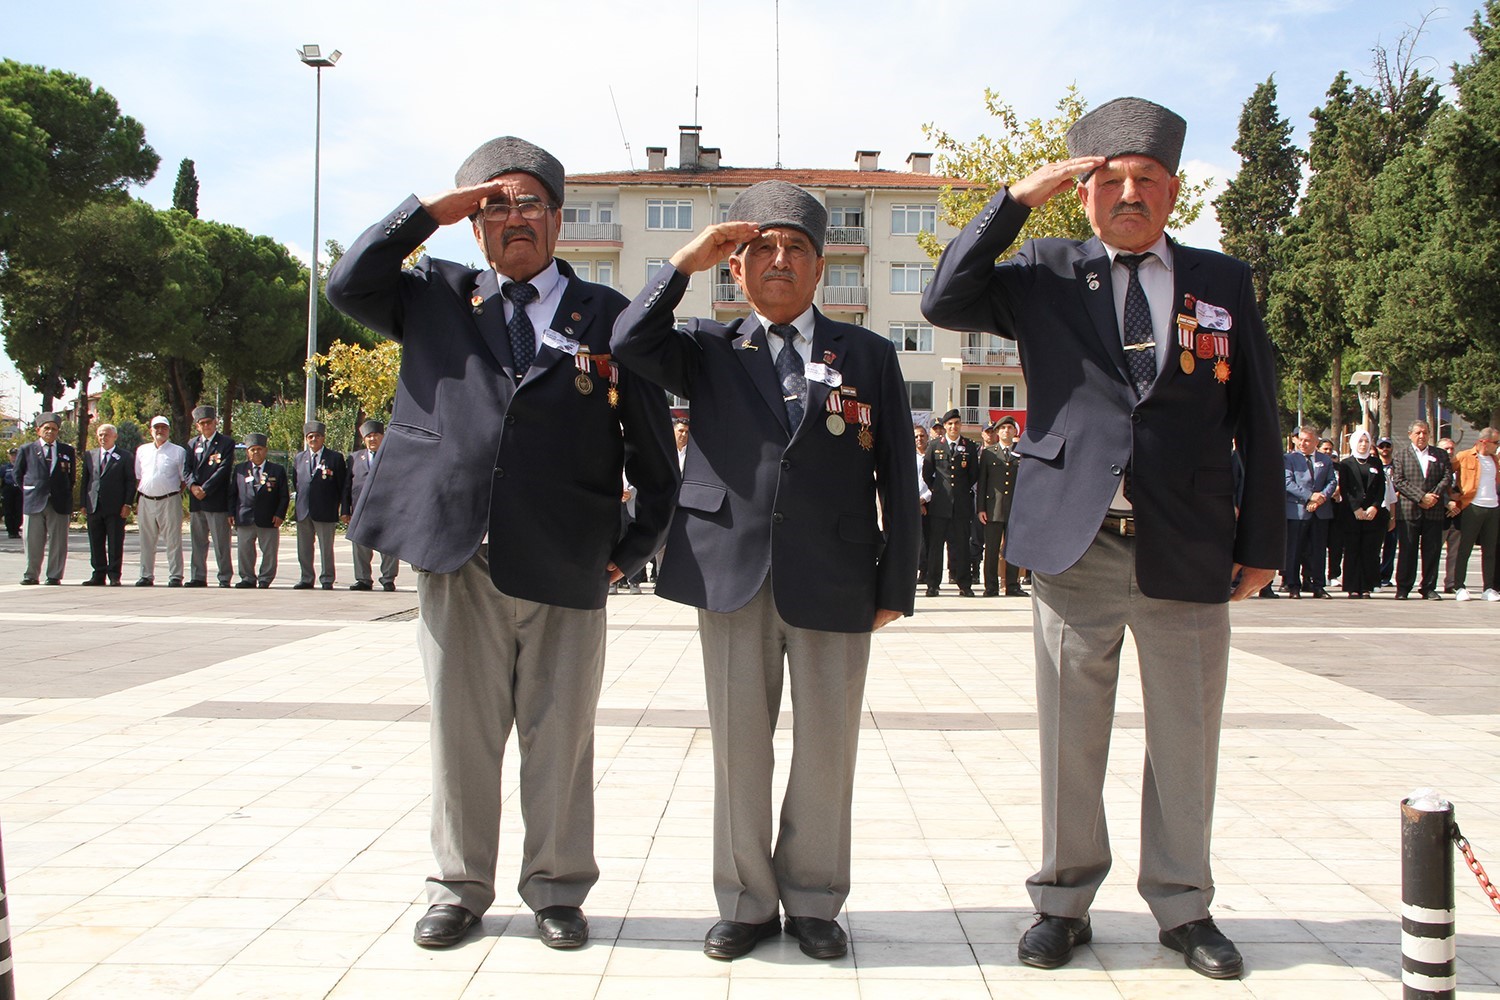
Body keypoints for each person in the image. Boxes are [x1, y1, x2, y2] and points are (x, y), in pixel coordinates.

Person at [921, 96, 1282, 980]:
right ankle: (1063, 902)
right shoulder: (1043, 270)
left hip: (1189, 544)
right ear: (1084, 193)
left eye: (1147, 181)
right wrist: (1016, 198)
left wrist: (1263, 540)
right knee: (1069, 738)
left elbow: (1258, 417)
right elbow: (943, 298)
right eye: (1111, 180)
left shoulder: (1220, 282)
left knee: (1187, 737)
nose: (1129, 194)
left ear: (1173, 191)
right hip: (1075, 544)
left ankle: (1183, 908)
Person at [326, 135, 676, 951]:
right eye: (494, 206)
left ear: (559, 217)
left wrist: (633, 546)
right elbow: (349, 283)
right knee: (461, 732)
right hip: (457, 550)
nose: (513, 218)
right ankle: (458, 887)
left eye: (529, 203)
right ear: (472, 224)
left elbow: (656, 459)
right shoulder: (436, 295)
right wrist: (432, 213)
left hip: (568, 557)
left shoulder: (613, 319)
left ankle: (557, 887)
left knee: (561, 735)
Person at [611, 179, 920, 962]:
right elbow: (626, 340)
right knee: (739, 747)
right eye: (761, 249)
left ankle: (815, 901)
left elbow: (895, 475)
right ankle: (746, 902)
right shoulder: (709, 350)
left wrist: (897, 584)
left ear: (821, 269)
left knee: (827, 748)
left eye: (797, 249)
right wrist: (687, 259)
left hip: (837, 574)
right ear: (737, 269)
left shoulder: (870, 356)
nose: (779, 260)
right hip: (730, 574)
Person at [1390, 419, 1455, 600]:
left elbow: (1446, 477)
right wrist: (1421, 497)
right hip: (1410, 509)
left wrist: (1432, 497)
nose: (1422, 436)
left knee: (1432, 550)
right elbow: (1399, 481)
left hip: (1433, 510)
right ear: (1410, 435)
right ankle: (1403, 587)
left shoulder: (1440, 455)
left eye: (1425, 432)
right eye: (1418, 432)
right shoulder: (1401, 455)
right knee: (1407, 550)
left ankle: (1428, 587)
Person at [923, 408, 980, 597]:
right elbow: (927, 473)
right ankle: (933, 584)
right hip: (940, 505)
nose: (953, 427)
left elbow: (973, 475)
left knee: (962, 545)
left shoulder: (970, 446)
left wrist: (960, 492)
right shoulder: (934, 446)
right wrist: (938, 490)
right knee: (936, 546)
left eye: (956, 423)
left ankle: (965, 584)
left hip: (961, 505)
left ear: (960, 425)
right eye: (949, 424)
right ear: (945, 427)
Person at [15, 412, 76, 585]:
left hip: (58, 502)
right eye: (46, 428)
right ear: (38, 430)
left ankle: (54, 575)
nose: (50, 432)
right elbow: (18, 474)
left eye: (54, 429)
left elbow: (71, 478)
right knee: (32, 540)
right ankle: (31, 575)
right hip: (34, 501)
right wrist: (30, 490)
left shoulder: (67, 450)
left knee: (58, 542)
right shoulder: (27, 450)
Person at [291, 421, 348, 590]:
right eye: (310, 436)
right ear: (306, 439)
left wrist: (341, 507)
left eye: (317, 436)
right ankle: (306, 578)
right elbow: (297, 483)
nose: (313, 439)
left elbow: (342, 486)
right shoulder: (299, 458)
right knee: (304, 548)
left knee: (326, 548)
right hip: (304, 510)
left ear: (323, 438)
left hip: (325, 509)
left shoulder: (335, 458)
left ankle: (327, 578)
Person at [1282, 426, 1338, 598]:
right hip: (1297, 511)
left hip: (1320, 511)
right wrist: (1309, 497)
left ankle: (1318, 585)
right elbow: (1288, 482)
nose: (1303, 443)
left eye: (1307, 440)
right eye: (1301, 439)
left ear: (1316, 442)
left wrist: (1321, 498)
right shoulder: (1289, 459)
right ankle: (1293, 585)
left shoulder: (1325, 460)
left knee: (1318, 550)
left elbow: (1332, 482)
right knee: (1295, 550)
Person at [184, 405, 236, 588]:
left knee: (221, 542)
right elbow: (186, 469)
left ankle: (224, 576)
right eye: (202, 423)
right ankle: (198, 576)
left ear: (215, 422)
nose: (206, 426)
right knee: (198, 542)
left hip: (215, 499)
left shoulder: (226, 443)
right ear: (197, 426)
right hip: (197, 500)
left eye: (209, 422)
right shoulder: (192, 444)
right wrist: (193, 486)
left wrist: (205, 488)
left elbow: (223, 469)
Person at [345, 419, 399, 592]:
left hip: (386, 508)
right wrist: (345, 510)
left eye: (376, 435)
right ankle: (363, 578)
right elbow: (347, 485)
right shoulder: (354, 458)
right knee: (359, 544)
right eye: (368, 436)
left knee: (389, 545)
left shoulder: (392, 456)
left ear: (383, 437)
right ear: (363, 439)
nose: (372, 439)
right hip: (361, 509)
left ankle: (388, 578)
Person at [79, 422, 136, 586]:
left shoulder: (125, 456)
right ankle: (98, 573)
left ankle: (114, 575)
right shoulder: (90, 455)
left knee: (115, 541)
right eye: (100, 435)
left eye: (107, 435)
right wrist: (83, 503)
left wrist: (127, 503)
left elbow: (130, 481)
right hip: (94, 505)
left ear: (115, 437)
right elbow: (86, 481)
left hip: (116, 507)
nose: (103, 438)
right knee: (95, 541)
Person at [229, 433, 288, 588]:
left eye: (259, 449)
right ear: (247, 452)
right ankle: (247, 578)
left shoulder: (277, 470)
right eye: (252, 449)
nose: (256, 452)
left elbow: (284, 496)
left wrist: (280, 514)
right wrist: (231, 513)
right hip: (245, 517)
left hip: (268, 518)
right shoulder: (240, 469)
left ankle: (265, 578)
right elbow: (233, 493)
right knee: (244, 550)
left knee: (269, 551)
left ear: (265, 450)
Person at [134, 415, 187, 587]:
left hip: (169, 500)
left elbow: (183, 479)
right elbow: (138, 476)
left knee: (173, 540)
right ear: (150, 430)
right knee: (146, 540)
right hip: (146, 500)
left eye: (163, 428)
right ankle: (146, 575)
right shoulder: (142, 450)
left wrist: (171, 493)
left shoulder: (178, 451)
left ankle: (176, 575)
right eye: (156, 428)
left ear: (169, 430)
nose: (160, 431)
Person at [1335, 428, 1387, 598]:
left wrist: (1374, 507)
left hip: (1372, 515)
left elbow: (1381, 488)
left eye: (1366, 441)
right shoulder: (1346, 464)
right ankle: (1352, 586)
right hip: (1352, 515)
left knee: (1369, 551)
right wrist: (1356, 508)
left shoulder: (1376, 463)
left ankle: (1366, 586)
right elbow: (1345, 488)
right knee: (1352, 550)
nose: (1363, 444)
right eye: (1360, 441)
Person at [1450, 427, 1500, 602]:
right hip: (1472, 506)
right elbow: (1445, 471)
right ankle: (1460, 586)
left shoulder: (1495, 460)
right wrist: (1451, 494)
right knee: (1465, 549)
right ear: (1484, 442)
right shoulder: (1464, 456)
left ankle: (1488, 588)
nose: (1497, 446)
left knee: (1490, 550)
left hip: (1493, 507)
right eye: (1496, 442)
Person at [977, 416, 1025, 596]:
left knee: (1012, 548)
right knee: (991, 548)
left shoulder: (1021, 452)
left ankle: (1012, 585)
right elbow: (983, 482)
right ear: (997, 432)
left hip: (1014, 508)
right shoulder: (989, 453)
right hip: (993, 508)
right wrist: (980, 508)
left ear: (1015, 431)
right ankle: (991, 586)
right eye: (1002, 428)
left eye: (1009, 428)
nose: (1006, 431)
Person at [1375, 437, 1398, 587]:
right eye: (1381, 446)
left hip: (1395, 508)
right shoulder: (1374, 465)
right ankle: (1374, 573)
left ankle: (1385, 575)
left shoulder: (1397, 466)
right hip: (1378, 508)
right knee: (1375, 545)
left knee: (1391, 544)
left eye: (1387, 446)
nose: (1384, 448)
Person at [1, 447, 21, 538]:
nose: (14, 457)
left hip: (19, 490)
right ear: (9, 456)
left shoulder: (22, 467)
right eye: (12, 455)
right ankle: (10, 531)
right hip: (8, 490)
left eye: (16, 455)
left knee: (18, 511)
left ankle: (16, 530)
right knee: (8, 511)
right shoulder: (4, 467)